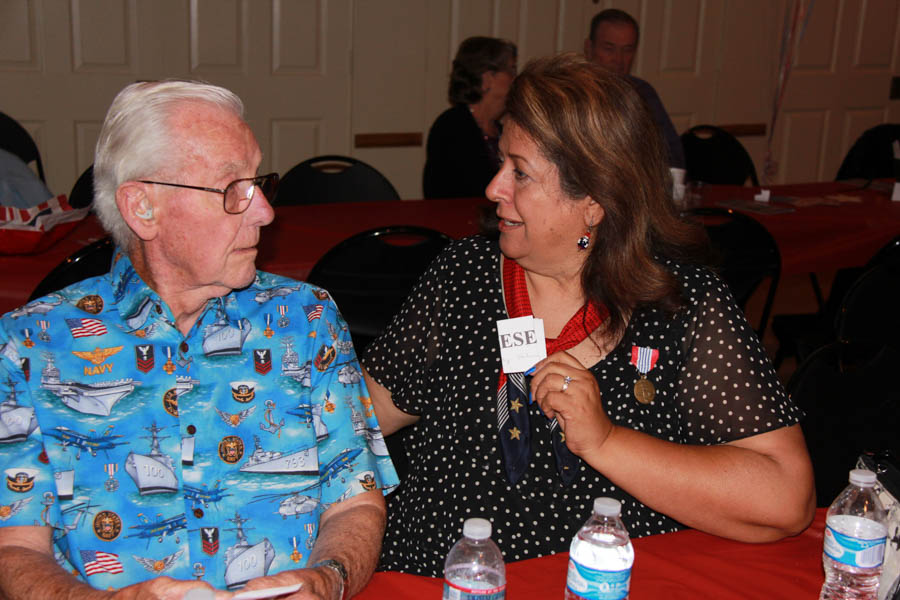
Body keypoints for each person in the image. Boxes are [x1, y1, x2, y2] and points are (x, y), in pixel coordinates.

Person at [363, 53, 815, 577]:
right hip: (445, 582)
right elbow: (358, 420)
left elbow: (784, 498)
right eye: (500, 162)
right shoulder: (465, 275)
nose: (494, 189)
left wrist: (605, 441)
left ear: (594, 202)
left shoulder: (679, 303)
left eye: (521, 173)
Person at [0, 80, 398, 599]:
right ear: (143, 207)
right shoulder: (30, 346)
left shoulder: (304, 321)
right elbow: (15, 549)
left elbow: (356, 502)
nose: (264, 212)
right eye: (231, 189)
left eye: (259, 183)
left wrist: (329, 580)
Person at [584, 9, 686, 169]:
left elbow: (672, 154)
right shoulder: (570, 92)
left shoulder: (643, 92)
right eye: (609, 48)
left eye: (628, 50)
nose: (619, 59)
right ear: (589, 48)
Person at [422, 36, 517, 199]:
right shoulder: (452, 127)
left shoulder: (502, 129)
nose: (515, 78)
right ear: (487, 79)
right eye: (511, 70)